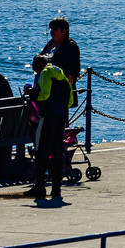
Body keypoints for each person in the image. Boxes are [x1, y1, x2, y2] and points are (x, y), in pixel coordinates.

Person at [28, 53, 72, 202]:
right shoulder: (61, 74)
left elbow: (44, 95)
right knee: (57, 153)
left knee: (41, 153)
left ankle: (40, 189)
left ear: (38, 65)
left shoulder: (45, 74)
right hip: (60, 117)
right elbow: (70, 98)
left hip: (47, 117)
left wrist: (32, 94)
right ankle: (56, 189)